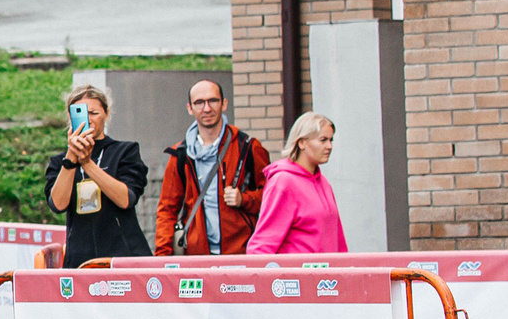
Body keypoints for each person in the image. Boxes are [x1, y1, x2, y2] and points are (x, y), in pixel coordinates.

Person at [154, 78, 269, 256]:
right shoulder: (180, 155)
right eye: (199, 103)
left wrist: (244, 199)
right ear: (190, 108)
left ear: (224, 104)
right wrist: (162, 257)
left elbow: (272, 199)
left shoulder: (247, 147)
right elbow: (167, 210)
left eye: (213, 101)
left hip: (242, 253)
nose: (207, 108)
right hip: (197, 255)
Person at [45, 82, 151, 266]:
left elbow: (125, 199)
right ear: (70, 117)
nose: (89, 120)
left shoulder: (125, 151)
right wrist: (71, 158)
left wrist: (88, 164)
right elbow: (58, 204)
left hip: (124, 255)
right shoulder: (60, 162)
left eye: (94, 113)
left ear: (107, 114)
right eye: (82, 114)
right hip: (80, 259)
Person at [246, 111, 348, 253]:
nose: (329, 146)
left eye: (331, 140)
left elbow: (338, 240)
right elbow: (263, 243)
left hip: (326, 274)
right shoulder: (283, 182)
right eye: (323, 140)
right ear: (301, 143)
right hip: (297, 273)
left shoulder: (324, 183)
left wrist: (344, 269)